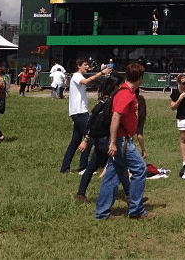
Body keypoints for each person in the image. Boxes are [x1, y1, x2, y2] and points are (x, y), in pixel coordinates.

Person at [95, 62, 152, 220]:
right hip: (121, 142)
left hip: (121, 140)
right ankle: (136, 210)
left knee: (112, 176)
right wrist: (113, 142)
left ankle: (102, 213)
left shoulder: (123, 91)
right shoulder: (126, 94)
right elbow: (116, 117)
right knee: (140, 169)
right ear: (140, 78)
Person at [75, 72, 125, 203]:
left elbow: (92, 121)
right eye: (121, 85)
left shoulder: (102, 99)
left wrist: (86, 139)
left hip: (97, 139)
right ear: (116, 86)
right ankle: (130, 195)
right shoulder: (112, 101)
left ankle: (80, 193)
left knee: (92, 167)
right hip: (106, 140)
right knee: (121, 166)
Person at [61, 58, 105, 174]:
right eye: (85, 65)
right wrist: (101, 73)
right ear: (79, 66)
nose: (87, 67)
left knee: (75, 141)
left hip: (79, 112)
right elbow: (85, 82)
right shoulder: (76, 76)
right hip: (79, 112)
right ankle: (83, 167)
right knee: (89, 138)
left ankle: (64, 168)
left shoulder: (80, 76)